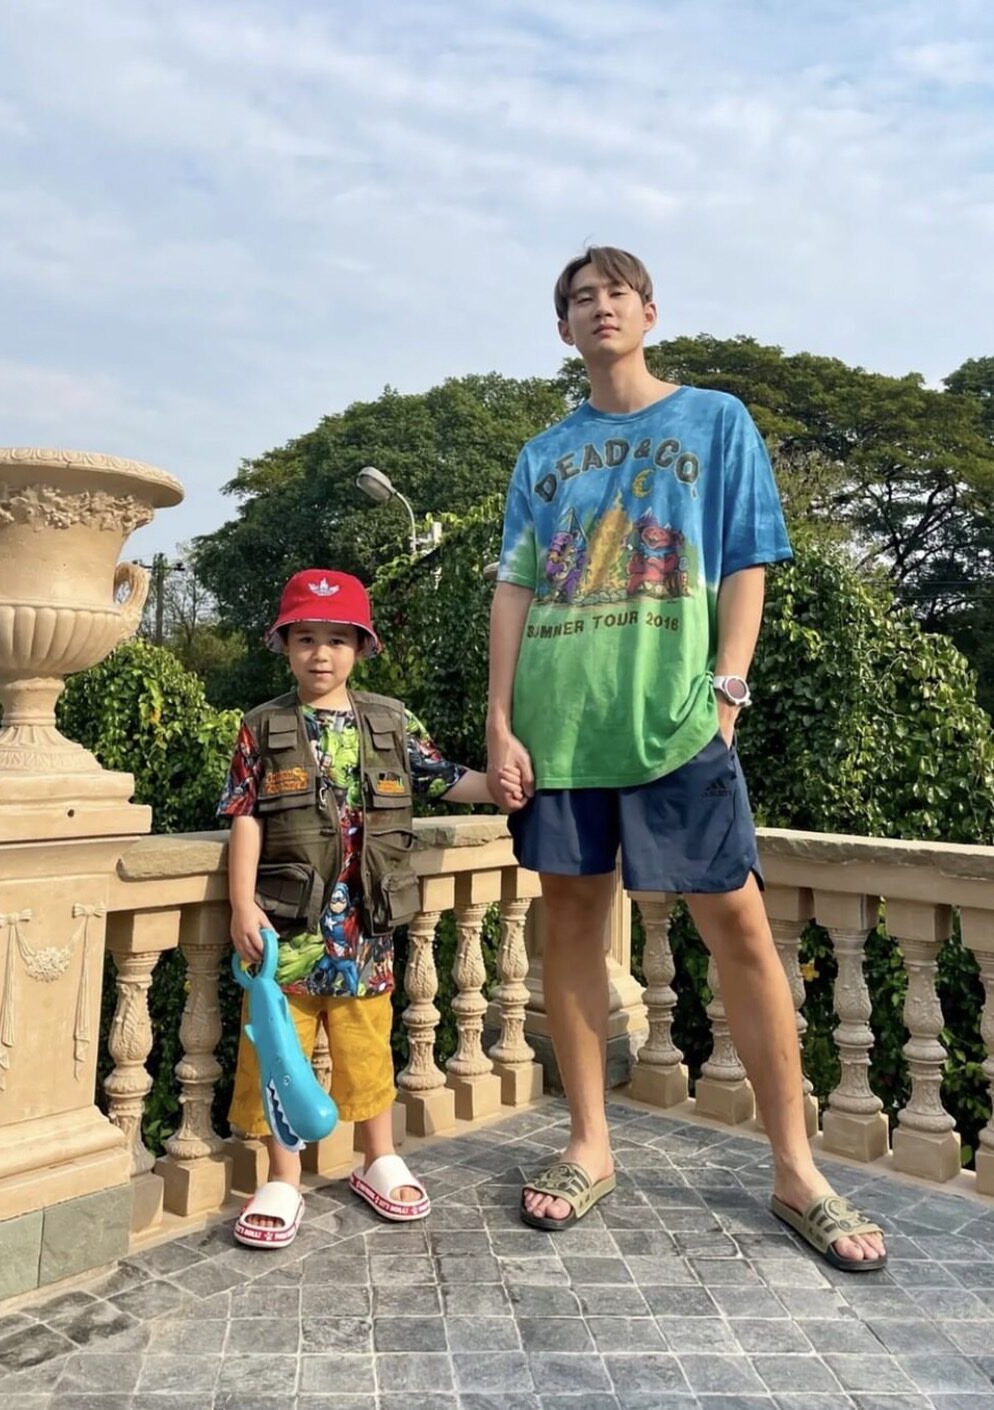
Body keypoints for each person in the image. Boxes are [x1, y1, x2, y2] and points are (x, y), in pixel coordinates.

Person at [486, 246, 887, 1272]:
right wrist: (499, 719)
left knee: (739, 927)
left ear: (649, 313)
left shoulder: (714, 420)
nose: (599, 308)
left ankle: (796, 1169)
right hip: (561, 723)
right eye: (580, 299)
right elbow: (516, 586)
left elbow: (748, 557)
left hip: (676, 721)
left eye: (615, 293)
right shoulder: (543, 454)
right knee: (572, 923)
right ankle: (588, 1144)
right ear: (563, 329)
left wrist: (727, 691)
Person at [220, 567, 498, 1247]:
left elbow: (442, 777)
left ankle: (378, 1157)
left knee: (367, 1045)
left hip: (366, 929)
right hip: (286, 928)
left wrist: (504, 786)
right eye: (306, 639)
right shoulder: (262, 726)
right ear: (284, 646)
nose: (321, 654)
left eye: (337, 640)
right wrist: (240, 904)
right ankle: (282, 1177)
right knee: (278, 1053)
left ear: (361, 648)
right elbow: (245, 816)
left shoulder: (391, 721)